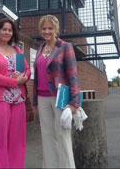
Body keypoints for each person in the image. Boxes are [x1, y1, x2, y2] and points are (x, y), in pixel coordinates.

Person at [33, 14, 81, 168]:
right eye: (44, 28)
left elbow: (73, 75)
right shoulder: (40, 48)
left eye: (50, 28)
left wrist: (74, 103)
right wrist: (35, 100)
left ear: (56, 30)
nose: (47, 31)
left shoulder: (65, 47)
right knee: (47, 136)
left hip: (59, 98)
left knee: (62, 135)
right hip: (42, 98)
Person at [0, 18, 31, 169]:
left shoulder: (17, 50)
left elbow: (27, 70)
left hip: (18, 100)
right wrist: (14, 82)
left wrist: (24, 77)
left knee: (17, 140)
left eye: (10, 30)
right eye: (4, 29)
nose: (7, 32)